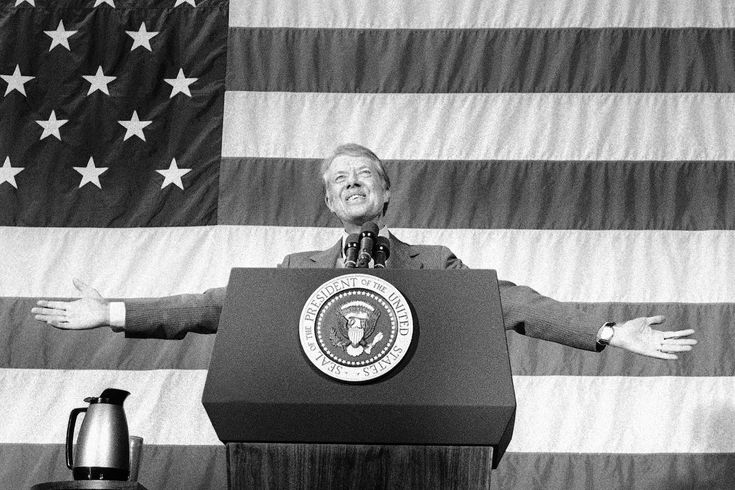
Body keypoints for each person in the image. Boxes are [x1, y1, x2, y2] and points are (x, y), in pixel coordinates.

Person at [32, 144, 696, 358]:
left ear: (385, 194)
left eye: (363, 176)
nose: (350, 183)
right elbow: (207, 307)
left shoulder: (434, 264)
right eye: (338, 179)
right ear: (328, 202)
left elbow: (514, 304)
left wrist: (608, 330)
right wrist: (115, 312)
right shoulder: (295, 273)